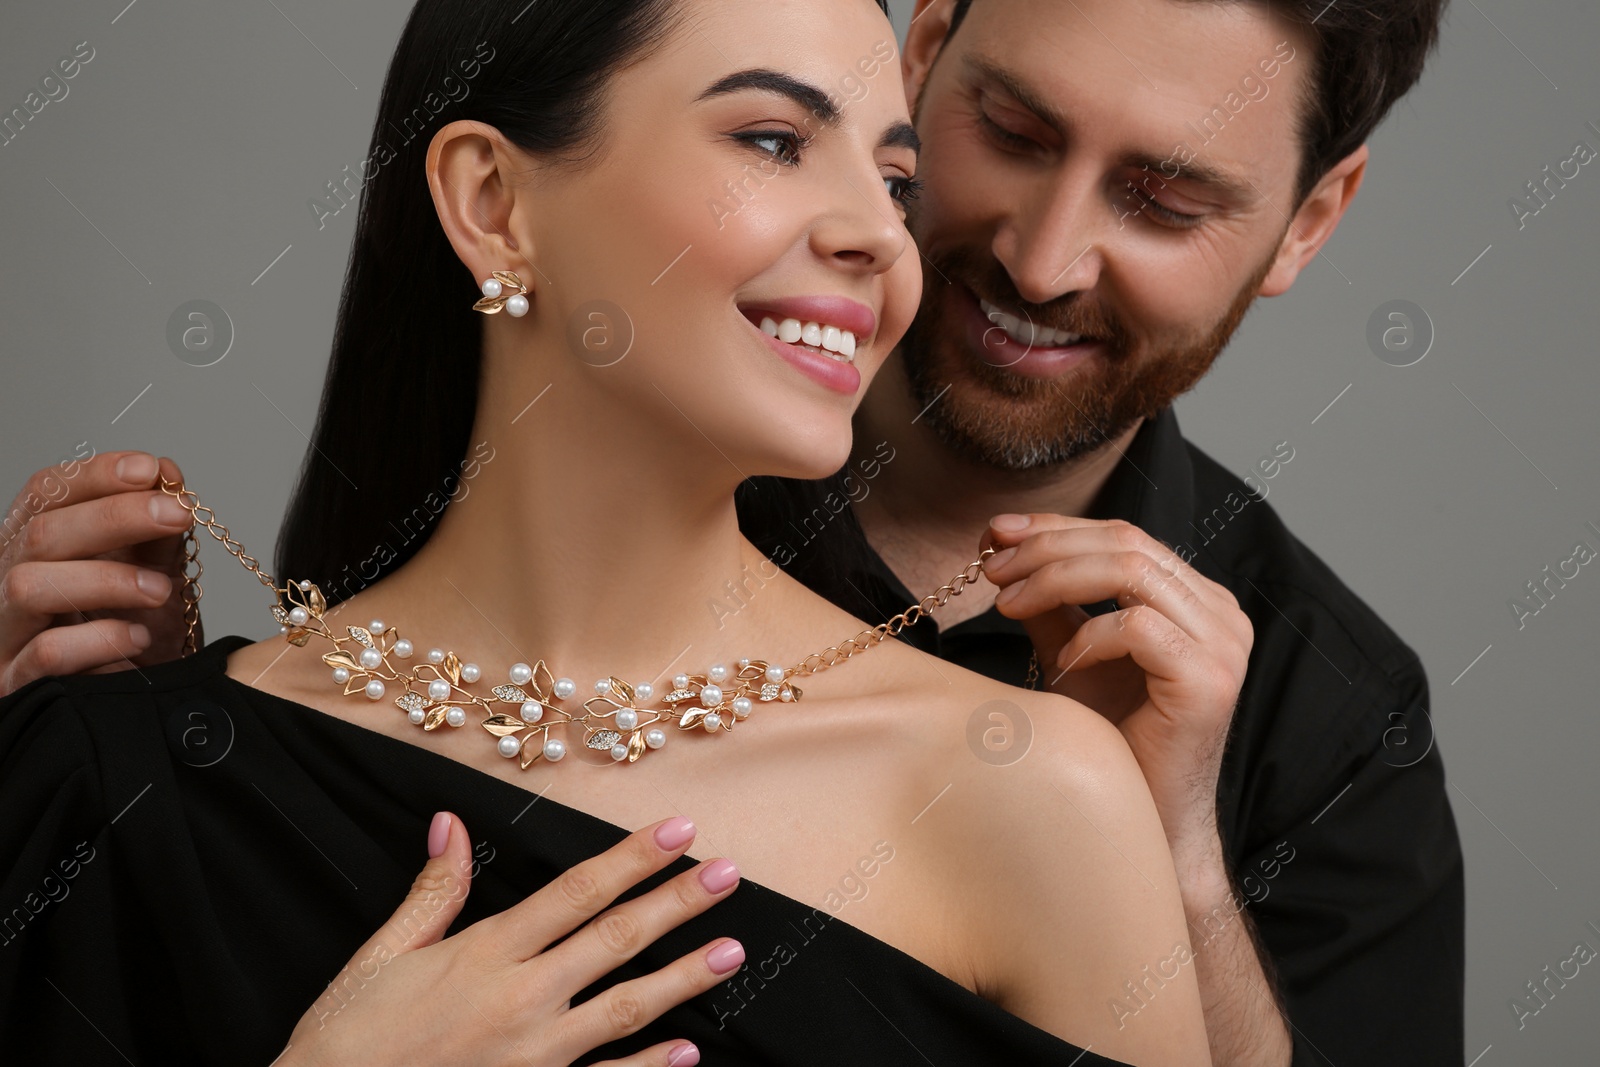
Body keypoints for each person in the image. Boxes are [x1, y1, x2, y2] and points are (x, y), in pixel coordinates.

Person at [1, 0, 1462, 1063]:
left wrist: (1181, 867)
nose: (1027, 253)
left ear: (1310, 220)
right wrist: (147, 765)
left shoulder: (1116, 776)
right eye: (775, 139)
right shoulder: (120, 767)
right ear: (493, 202)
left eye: (1161, 195)